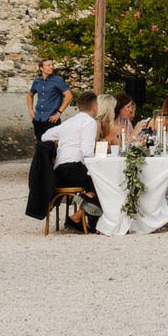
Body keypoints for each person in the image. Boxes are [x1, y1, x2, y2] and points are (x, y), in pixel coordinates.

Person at [41, 90, 101, 232]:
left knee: (97, 183)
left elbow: (45, 136)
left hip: (59, 172)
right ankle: (77, 217)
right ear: (95, 107)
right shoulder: (89, 122)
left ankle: (85, 204)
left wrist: (56, 146)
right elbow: (87, 152)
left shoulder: (69, 122)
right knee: (103, 182)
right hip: (73, 169)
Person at [28, 58, 68, 147]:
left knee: (52, 147)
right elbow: (30, 95)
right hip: (38, 119)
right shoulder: (37, 81)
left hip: (51, 119)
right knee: (40, 146)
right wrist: (31, 111)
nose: (52, 67)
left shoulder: (58, 80)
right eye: (48, 65)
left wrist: (59, 113)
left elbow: (69, 96)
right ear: (41, 68)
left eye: (52, 65)